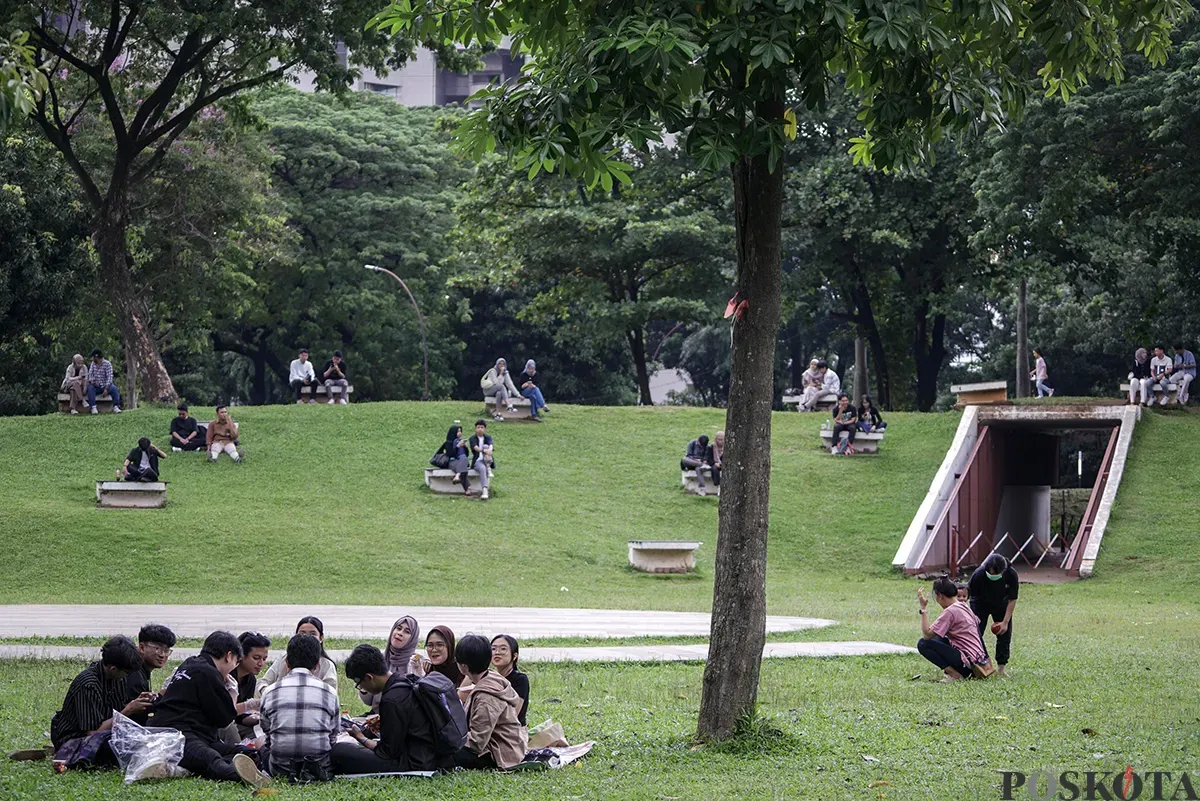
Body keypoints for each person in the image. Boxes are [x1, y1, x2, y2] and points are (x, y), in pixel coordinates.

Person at [148, 631, 270, 787]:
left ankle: (243, 764)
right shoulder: (209, 673)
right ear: (228, 656)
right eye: (235, 661)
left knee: (244, 752)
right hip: (176, 736)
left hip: (198, 735)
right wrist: (233, 691)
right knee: (210, 758)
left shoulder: (190, 663)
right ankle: (243, 776)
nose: (234, 666)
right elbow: (225, 719)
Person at [334, 644, 441, 775]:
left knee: (339, 751)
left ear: (369, 677)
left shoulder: (391, 699)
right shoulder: (405, 681)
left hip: (413, 763)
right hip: (427, 754)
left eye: (359, 684)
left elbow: (387, 753)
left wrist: (360, 737)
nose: (362, 688)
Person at [50, 635, 149, 765]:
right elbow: (93, 733)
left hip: (106, 734)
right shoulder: (88, 685)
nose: (127, 676)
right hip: (76, 740)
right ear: (113, 668)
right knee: (124, 749)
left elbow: (115, 714)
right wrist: (127, 710)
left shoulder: (117, 678)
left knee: (143, 739)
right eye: (126, 672)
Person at [259, 633, 340, 781]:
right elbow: (333, 736)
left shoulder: (269, 692)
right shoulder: (330, 692)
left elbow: (268, 734)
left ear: (287, 663)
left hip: (279, 768)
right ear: (317, 665)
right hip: (319, 766)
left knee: (260, 745)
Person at [453, 634, 528, 770]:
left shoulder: (486, 698)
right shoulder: (491, 676)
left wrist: (450, 741)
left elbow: (476, 743)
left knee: (445, 754)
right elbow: (461, 695)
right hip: (508, 746)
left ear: (463, 666)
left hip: (500, 754)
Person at [916, 576, 989, 682]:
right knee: (939, 639)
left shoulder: (950, 611)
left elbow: (927, 635)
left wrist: (923, 608)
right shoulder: (963, 606)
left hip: (969, 665)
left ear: (940, 596)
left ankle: (955, 675)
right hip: (980, 662)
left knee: (923, 643)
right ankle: (956, 672)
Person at [258, 617, 338, 696]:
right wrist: (271, 694)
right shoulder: (284, 658)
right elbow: (263, 682)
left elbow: (330, 694)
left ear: (321, 638)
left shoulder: (327, 665)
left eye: (313, 634)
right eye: (302, 633)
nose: (307, 637)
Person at [968, 554, 1019, 678]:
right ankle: (975, 665)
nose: (993, 576)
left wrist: (1005, 622)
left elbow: (1012, 599)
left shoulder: (1011, 574)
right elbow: (970, 597)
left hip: (1002, 603)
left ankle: (1001, 668)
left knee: (1004, 635)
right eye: (991, 574)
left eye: (996, 574)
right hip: (980, 604)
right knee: (975, 634)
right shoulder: (978, 575)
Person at [125, 624, 177, 723]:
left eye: (166, 650)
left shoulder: (142, 670)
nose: (163, 655)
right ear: (142, 647)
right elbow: (136, 715)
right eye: (157, 649)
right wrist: (161, 697)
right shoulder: (134, 674)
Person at [225, 632, 270, 741]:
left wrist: (259, 718)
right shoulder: (226, 675)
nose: (261, 663)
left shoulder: (250, 679)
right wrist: (250, 705)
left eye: (264, 659)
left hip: (237, 724)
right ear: (241, 656)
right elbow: (224, 712)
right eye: (256, 658)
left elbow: (240, 717)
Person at [490, 634, 529, 727]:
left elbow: (513, 714)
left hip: (512, 732)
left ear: (514, 656)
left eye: (503, 649)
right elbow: (461, 697)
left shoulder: (520, 679)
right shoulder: (488, 676)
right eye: (493, 649)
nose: (497, 652)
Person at [436, 425, 473, 497]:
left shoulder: (461, 441)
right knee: (463, 468)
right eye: (458, 431)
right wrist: (457, 446)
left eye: (460, 431)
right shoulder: (449, 442)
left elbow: (466, 454)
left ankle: (457, 476)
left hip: (462, 460)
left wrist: (465, 447)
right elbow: (450, 454)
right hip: (452, 461)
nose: (459, 433)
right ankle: (467, 489)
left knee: (464, 459)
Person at [86, 348, 122, 414]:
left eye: (93, 357)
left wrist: (106, 388)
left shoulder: (107, 364)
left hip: (106, 385)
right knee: (90, 388)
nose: (92, 359)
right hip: (96, 385)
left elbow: (109, 377)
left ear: (96, 357)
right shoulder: (93, 364)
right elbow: (90, 374)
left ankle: (116, 406)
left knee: (114, 389)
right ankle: (93, 407)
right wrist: (92, 381)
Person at [469, 419, 496, 501]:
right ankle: (485, 490)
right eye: (478, 427)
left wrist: (489, 450)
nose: (480, 429)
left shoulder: (487, 437)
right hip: (478, 460)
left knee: (486, 446)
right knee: (482, 468)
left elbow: (491, 445)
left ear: (485, 429)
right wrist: (484, 451)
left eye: (482, 427)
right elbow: (475, 448)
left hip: (487, 458)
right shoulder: (472, 438)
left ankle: (488, 467)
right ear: (475, 428)